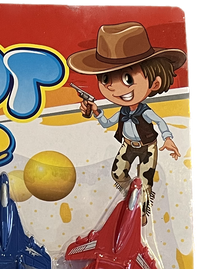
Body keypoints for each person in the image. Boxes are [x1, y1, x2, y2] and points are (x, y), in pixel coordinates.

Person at [67, 22, 186, 223]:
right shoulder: (122, 111)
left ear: (155, 83)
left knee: (146, 181)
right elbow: (107, 124)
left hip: (148, 147)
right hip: (128, 145)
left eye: (127, 78)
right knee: (117, 173)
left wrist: (168, 138)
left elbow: (160, 122)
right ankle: (131, 197)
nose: (113, 87)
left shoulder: (145, 111)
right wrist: (95, 112)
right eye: (106, 78)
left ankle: (142, 214)